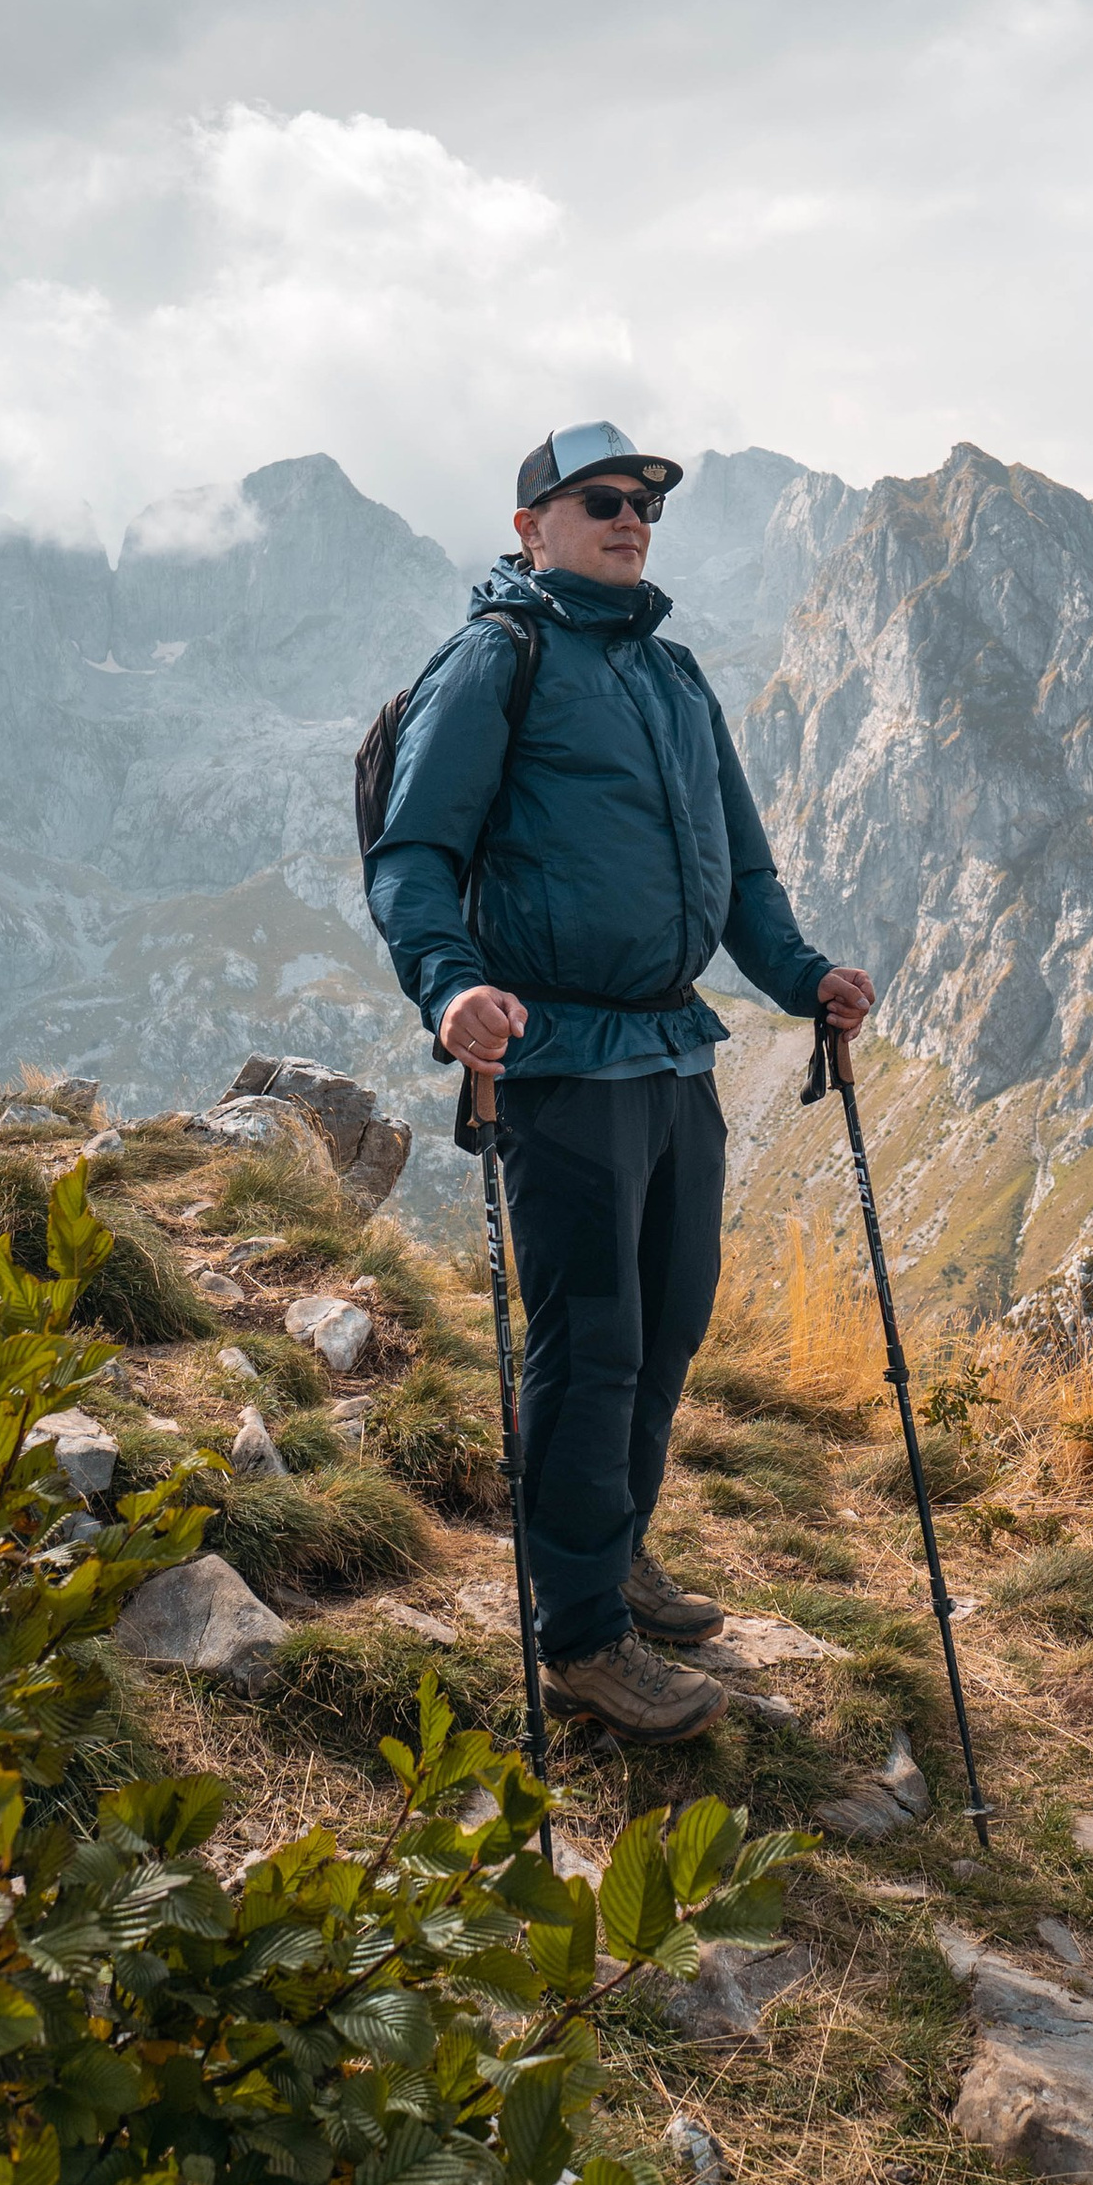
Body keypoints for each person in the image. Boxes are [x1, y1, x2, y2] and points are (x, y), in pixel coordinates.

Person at [364, 419, 873, 1740]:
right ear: (531, 526)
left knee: (667, 1325)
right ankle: (582, 1638)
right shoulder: (498, 658)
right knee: (591, 1345)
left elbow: (742, 871)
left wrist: (803, 976)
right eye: (600, 501)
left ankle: (617, 1550)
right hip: (561, 1063)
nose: (630, 519)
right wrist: (448, 988)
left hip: (671, 1053)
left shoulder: (672, 673)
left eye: (646, 502)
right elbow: (414, 855)